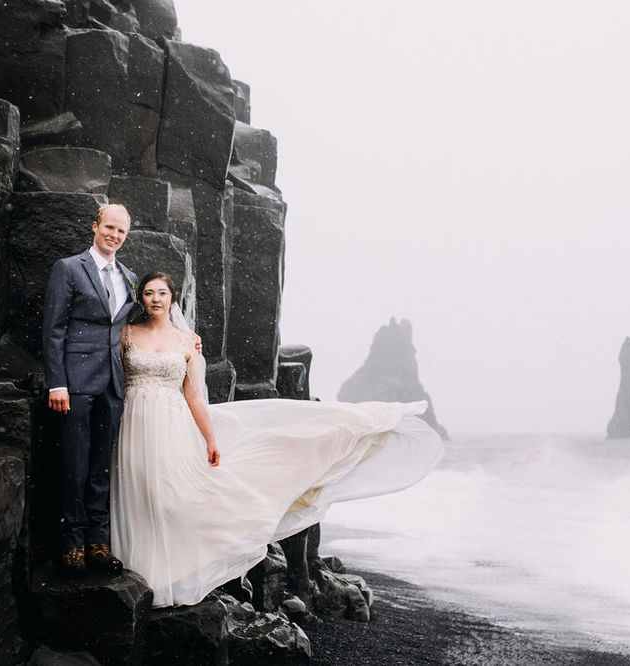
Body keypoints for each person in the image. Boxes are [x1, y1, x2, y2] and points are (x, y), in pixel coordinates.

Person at [110, 271, 445, 607]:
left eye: (162, 293)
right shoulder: (125, 335)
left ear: (172, 298)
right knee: (137, 491)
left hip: (171, 426)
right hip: (133, 424)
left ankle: (164, 574)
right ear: (142, 298)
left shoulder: (186, 342)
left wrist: (210, 439)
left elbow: (194, 397)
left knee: (171, 496)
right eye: (149, 293)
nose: (156, 299)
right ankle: (136, 567)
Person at [41, 203, 138, 577]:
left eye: (121, 231)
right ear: (95, 226)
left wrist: (185, 339)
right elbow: (54, 329)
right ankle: (72, 543)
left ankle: (99, 542)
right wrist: (57, 382)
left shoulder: (129, 277)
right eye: (109, 227)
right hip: (75, 383)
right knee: (74, 464)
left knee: (101, 466)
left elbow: (129, 326)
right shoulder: (68, 268)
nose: (115, 235)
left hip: (113, 383)